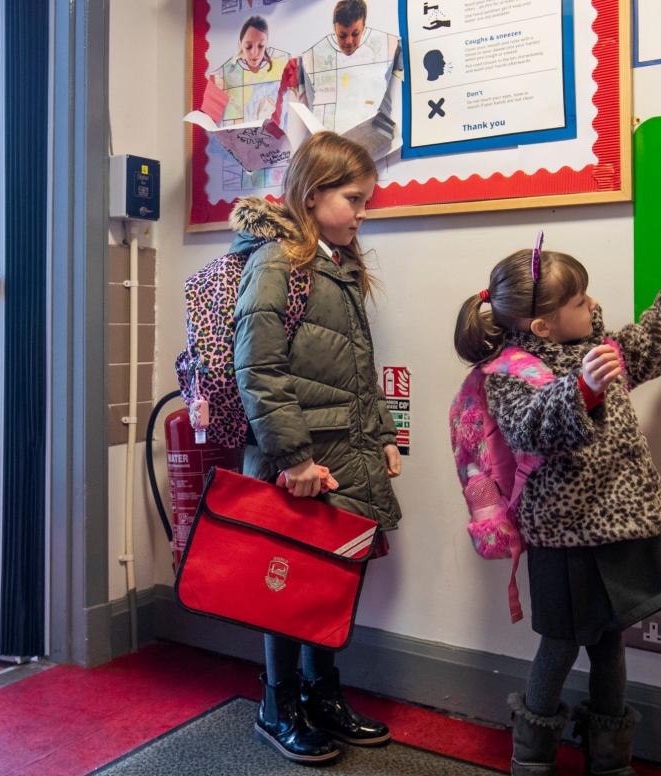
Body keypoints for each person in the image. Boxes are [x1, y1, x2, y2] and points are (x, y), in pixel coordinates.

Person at [453, 240, 661, 775]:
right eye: (580, 301)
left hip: (622, 527)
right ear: (543, 325)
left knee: (611, 645)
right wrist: (581, 388)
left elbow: (652, 343)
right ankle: (531, 758)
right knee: (559, 646)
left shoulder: (600, 343)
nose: (593, 305)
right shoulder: (510, 373)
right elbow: (530, 428)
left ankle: (609, 758)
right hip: (562, 538)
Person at [232, 131, 403, 766]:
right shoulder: (275, 262)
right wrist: (292, 459)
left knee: (326, 583)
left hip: (343, 452)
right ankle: (278, 705)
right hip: (300, 460)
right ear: (312, 193)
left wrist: (381, 434)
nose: (363, 213)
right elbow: (258, 368)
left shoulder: (339, 264)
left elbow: (361, 367)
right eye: (354, 199)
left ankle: (320, 695)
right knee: (286, 584)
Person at [295, 0, 403, 155]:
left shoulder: (388, 46)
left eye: (355, 34)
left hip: (377, 146)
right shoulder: (312, 59)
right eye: (342, 35)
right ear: (334, 28)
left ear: (364, 27)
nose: (349, 42)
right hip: (334, 152)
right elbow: (314, 111)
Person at [210, 15, 292, 127]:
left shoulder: (283, 62)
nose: (255, 53)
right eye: (248, 46)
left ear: (267, 43)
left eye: (261, 46)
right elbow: (210, 118)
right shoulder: (224, 72)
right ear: (240, 44)